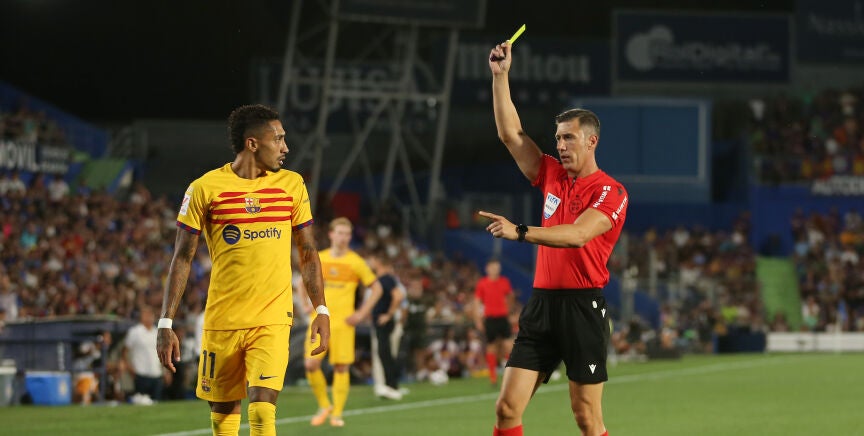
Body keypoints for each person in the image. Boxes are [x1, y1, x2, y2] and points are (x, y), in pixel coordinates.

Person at [480, 41, 629, 436]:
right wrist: (500, 77)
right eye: (558, 138)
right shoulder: (550, 174)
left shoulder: (611, 191)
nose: (560, 145)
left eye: (569, 138)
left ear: (591, 141)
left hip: (583, 308)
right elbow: (511, 134)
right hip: (542, 304)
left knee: (586, 417)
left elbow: (578, 235)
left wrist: (520, 231)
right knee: (506, 408)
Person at [155, 104, 330, 436]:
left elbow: (308, 252)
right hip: (222, 320)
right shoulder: (204, 188)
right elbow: (182, 257)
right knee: (224, 418)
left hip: (273, 317)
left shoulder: (292, 185)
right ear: (252, 144)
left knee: (263, 410)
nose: (285, 147)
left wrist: (321, 308)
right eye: (277, 139)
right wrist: (166, 322)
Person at [302, 217, 382, 427]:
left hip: (344, 323)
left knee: (341, 367)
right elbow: (304, 279)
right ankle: (324, 405)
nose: (343, 237)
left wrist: (361, 313)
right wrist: (305, 303)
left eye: (347, 234)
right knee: (311, 364)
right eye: (339, 233)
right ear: (331, 234)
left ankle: (336, 413)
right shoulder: (320, 257)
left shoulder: (356, 261)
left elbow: (377, 288)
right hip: (320, 319)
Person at [367, 252, 406, 400]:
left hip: (383, 321)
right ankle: (390, 384)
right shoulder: (383, 279)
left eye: (372, 260)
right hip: (381, 320)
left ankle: (392, 385)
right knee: (384, 353)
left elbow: (398, 296)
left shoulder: (386, 279)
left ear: (378, 262)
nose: (370, 263)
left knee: (385, 353)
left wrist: (388, 314)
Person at [473, 258, 515, 385]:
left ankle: (510, 375)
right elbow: (477, 302)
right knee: (492, 347)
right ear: (487, 268)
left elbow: (510, 296)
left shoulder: (504, 281)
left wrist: (509, 310)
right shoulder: (482, 283)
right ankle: (493, 377)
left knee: (508, 346)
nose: (495, 270)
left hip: (503, 317)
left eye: (497, 267)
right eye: (493, 267)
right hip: (490, 318)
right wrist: (478, 320)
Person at [123, 306, 164, 404]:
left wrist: (164, 370)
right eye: (146, 314)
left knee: (157, 403)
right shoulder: (135, 332)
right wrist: (130, 368)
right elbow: (124, 352)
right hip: (140, 372)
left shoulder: (157, 332)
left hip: (156, 373)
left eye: (150, 315)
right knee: (141, 402)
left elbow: (161, 352)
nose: (149, 317)